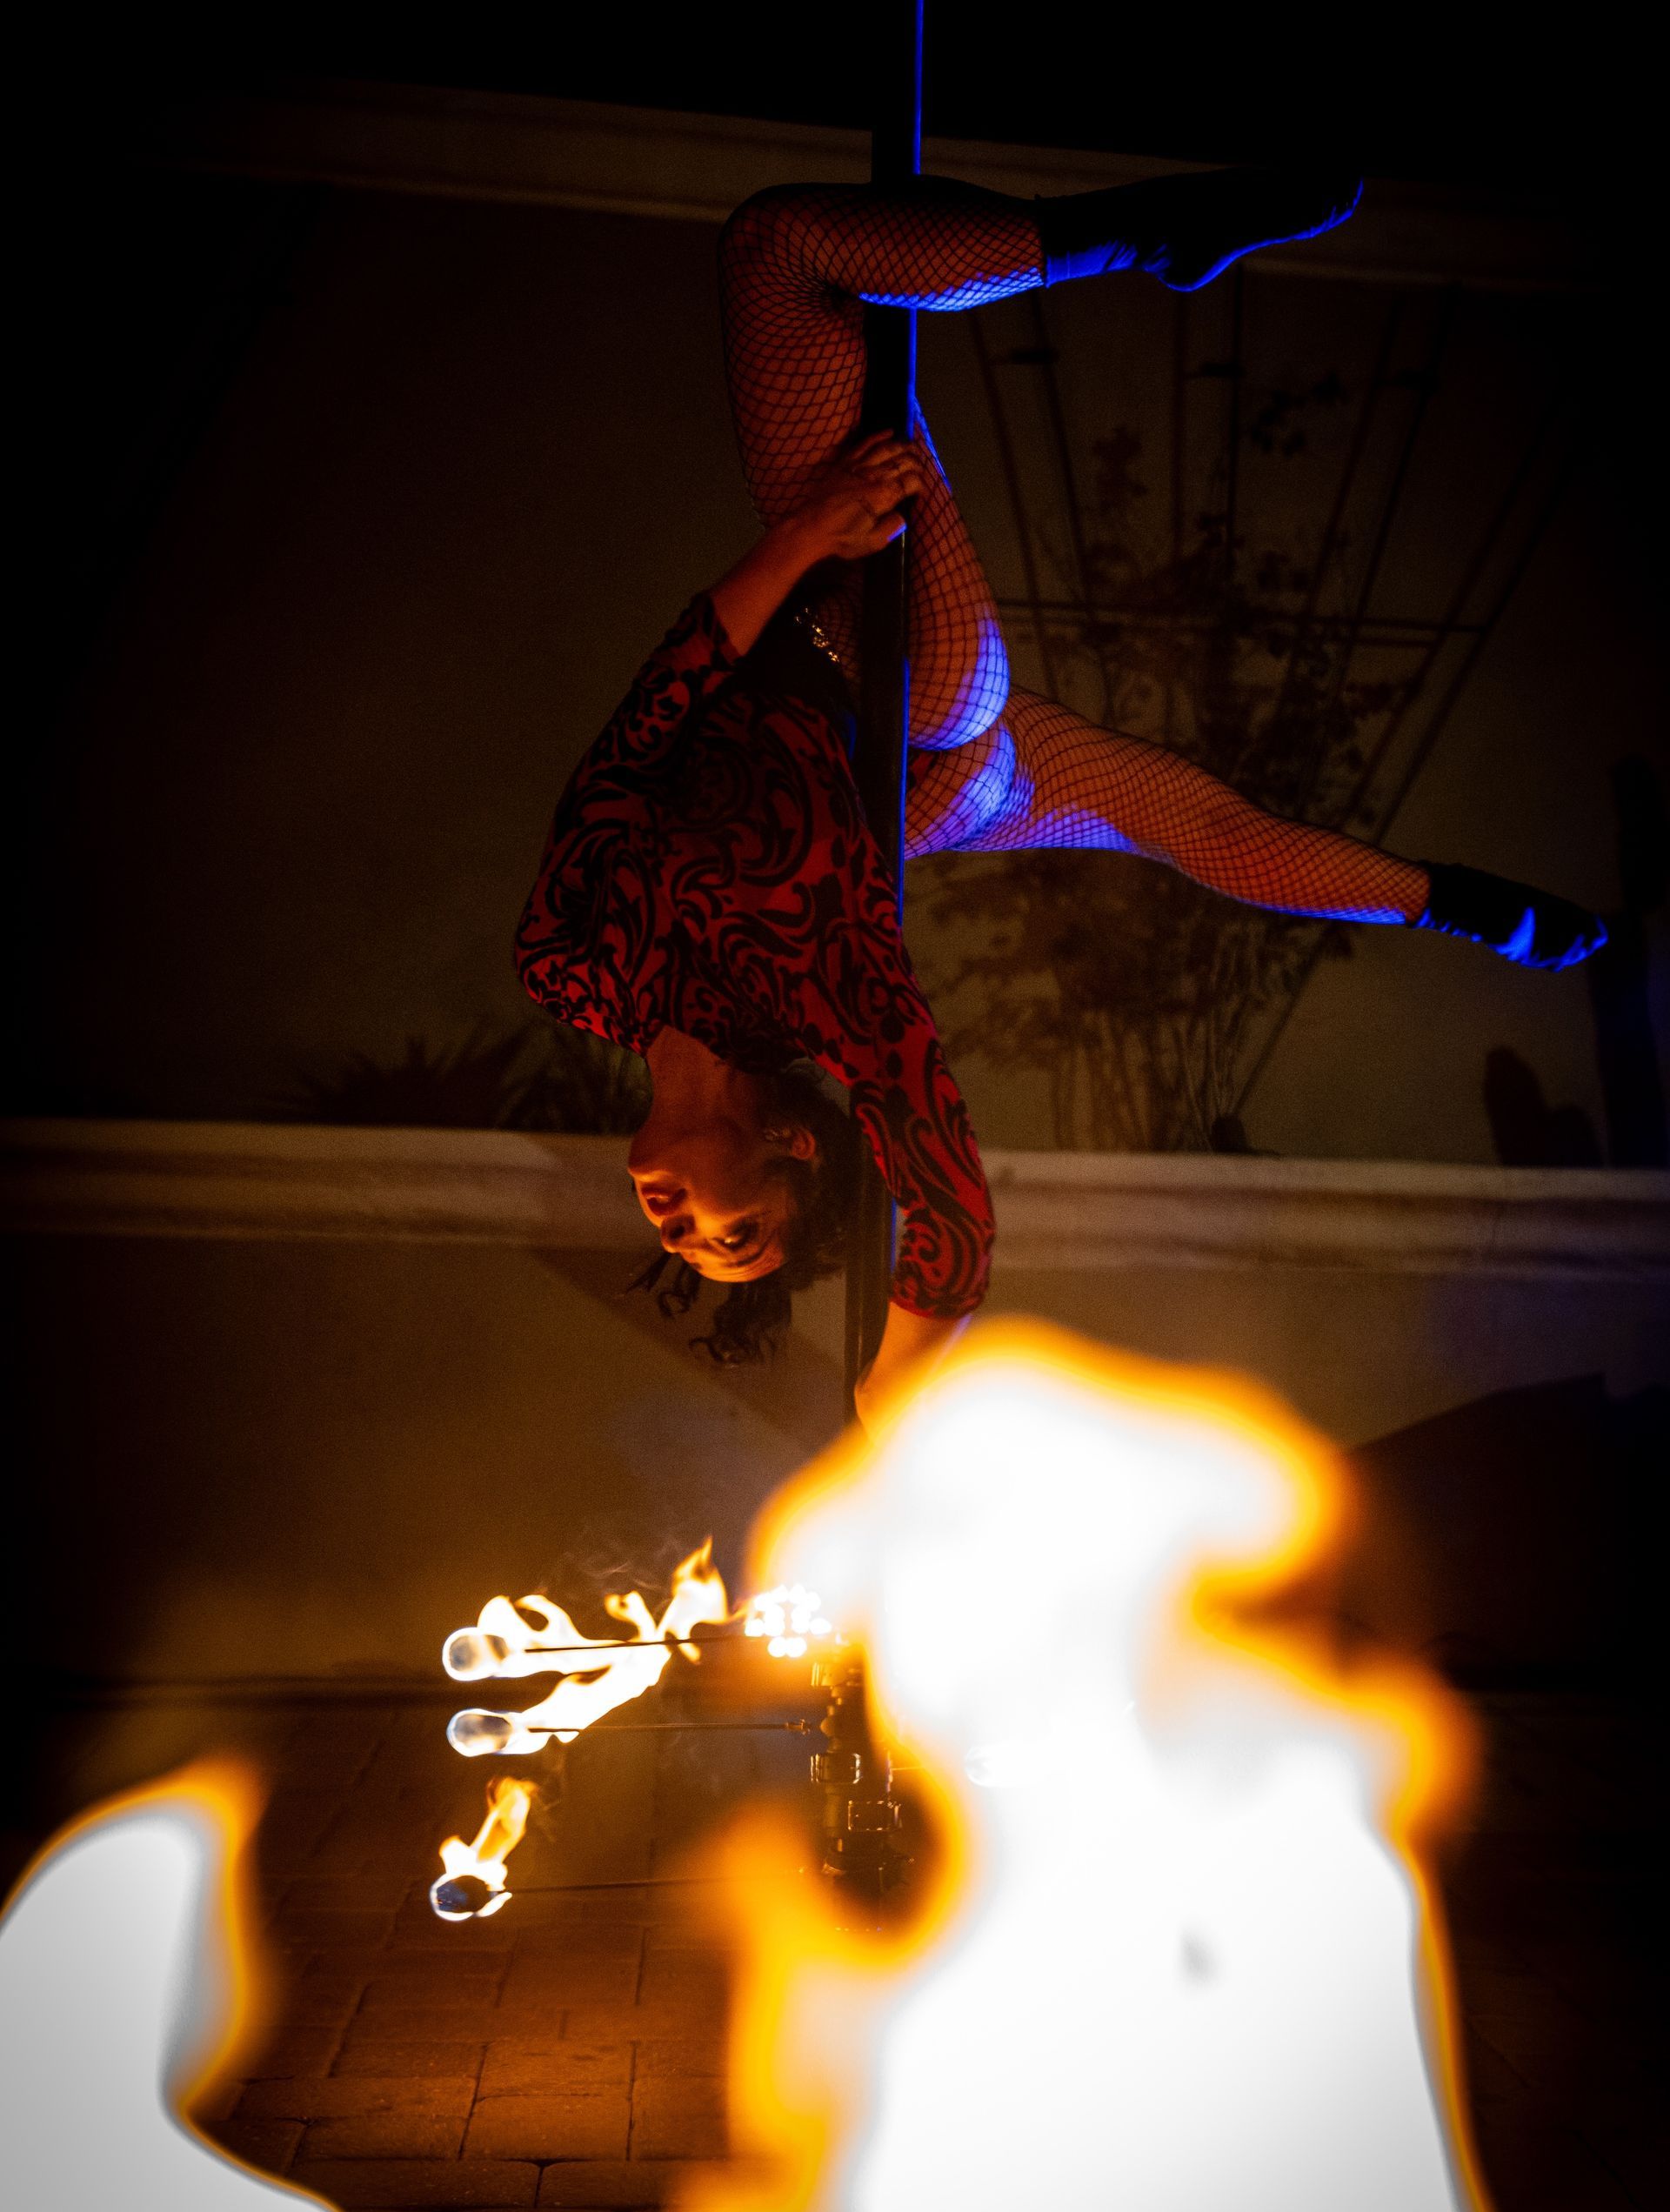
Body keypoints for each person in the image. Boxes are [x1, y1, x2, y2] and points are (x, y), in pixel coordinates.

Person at [516, 168, 1607, 1424]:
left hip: (868, 709)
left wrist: (804, 535)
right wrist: (891, 1388)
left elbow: (644, 722)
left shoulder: (568, 966)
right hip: (921, 697)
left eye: (692, 1248)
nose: (686, 1233)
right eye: (739, 1236)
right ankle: (1146, 234)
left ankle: (1484, 912)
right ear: (795, 1150)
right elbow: (954, 1209)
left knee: (782, 254)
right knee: (781, 254)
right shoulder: (821, 991)